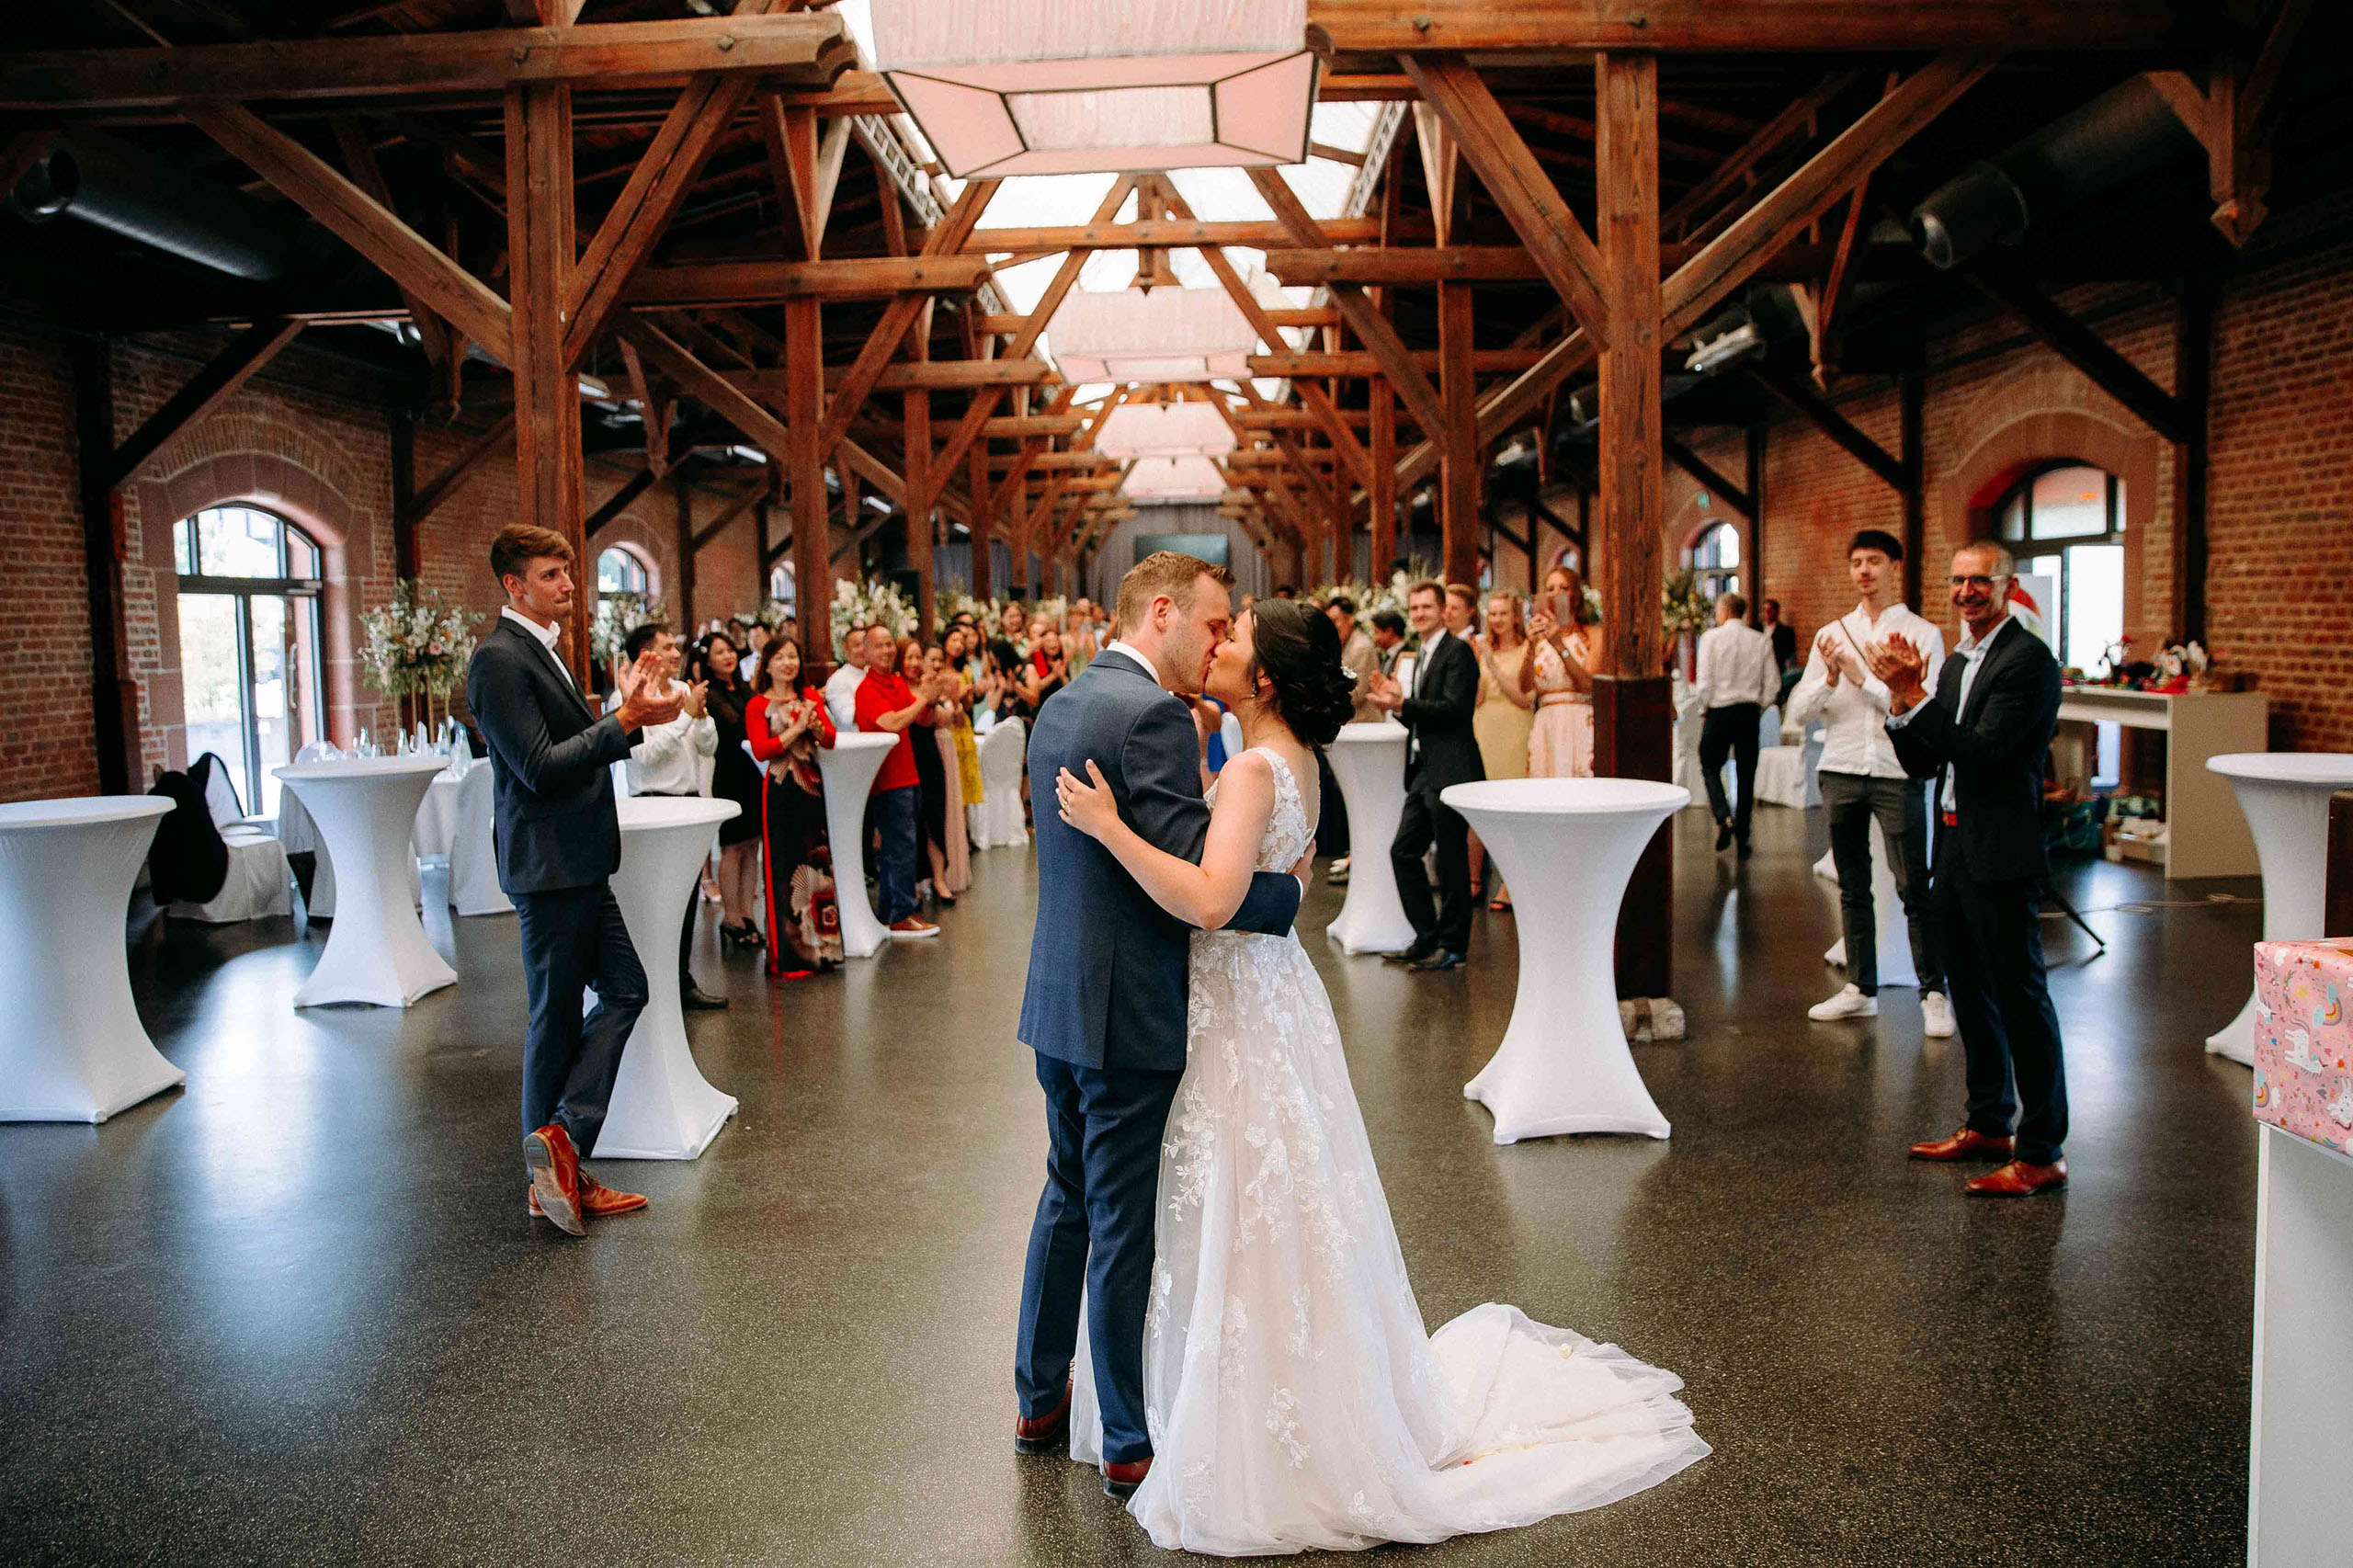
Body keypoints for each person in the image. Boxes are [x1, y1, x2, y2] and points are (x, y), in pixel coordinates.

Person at [1050, 597, 1706, 1550]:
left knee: (1230, 1199)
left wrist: (1109, 825)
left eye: (1231, 637)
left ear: (1265, 676)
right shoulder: (1295, 764)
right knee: (1274, 1200)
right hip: (1273, 996)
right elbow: (1279, 883)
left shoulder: (1244, 771)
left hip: (1233, 1007)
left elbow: (1208, 899)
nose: (1215, 643)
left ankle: (1226, 1410)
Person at [1011, 551, 1308, 1505]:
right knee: (1122, 1218)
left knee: (1066, 1197)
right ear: (1164, 612)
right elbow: (1199, 887)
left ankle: (1036, 1399)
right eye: (1214, 623)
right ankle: (1130, 1438)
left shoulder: (1063, 698)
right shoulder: (1150, 716)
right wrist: (1289, 892)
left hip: (1058, 994)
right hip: (1125, 1007)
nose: (1220, 640)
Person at [465, 523, 672, 1236]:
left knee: (626, 989)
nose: (568, 584)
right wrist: (622, 721)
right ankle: (547, 1176)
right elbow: (540, 767)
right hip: (548, 866)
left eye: (568, 572)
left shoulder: (539, 651)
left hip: (576, 861)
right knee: (553, 1018)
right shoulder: (497, 659)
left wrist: (630, 717)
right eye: (552, 574)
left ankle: (560, 1143)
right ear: (514, 586)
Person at [1873, 540, 2072, 1198]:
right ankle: (1989, 1123)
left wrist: (1914, 695)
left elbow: (1985, 756)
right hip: (1954, 849)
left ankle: (2042, 1152)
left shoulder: (2028, 662)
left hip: (2002, 851)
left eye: (1978, 581)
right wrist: (1904, 709)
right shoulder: (1958, 663)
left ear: (2006, 587)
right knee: (1969, 993)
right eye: (1957, 581)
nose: (1965, 593)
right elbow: (1931, 764)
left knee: (2020, 999)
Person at [1789, 529, 1952, 1033]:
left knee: (1912, 885)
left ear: (1894, 567)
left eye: (1874, 561)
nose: (1864, 571)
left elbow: (1924, 707)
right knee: (1852, 885)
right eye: (1857, 562)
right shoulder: (1831, 633)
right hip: (1839, 767)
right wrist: (1830, 679)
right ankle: (1860, 988)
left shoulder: (1922, 634)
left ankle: (1933, 992)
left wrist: (1864, 679)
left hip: (1895, 771)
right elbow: (1797, 714)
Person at [1368, 582, 1483, 971]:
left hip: (1451, 768)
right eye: (1414, 608)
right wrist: (1396, 704)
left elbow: (1455, 710)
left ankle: (1453, 948)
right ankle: (1426, 936)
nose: (1418, 614)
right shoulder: (1421, 654)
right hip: (1422, 769)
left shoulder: (1458, 652)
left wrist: (1405, 702)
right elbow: (1421, 713)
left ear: (1444, 610)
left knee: (1451, 862)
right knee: (1403, 850)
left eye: (1426, 607)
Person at [616, 623, 727, 1012]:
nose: (677, 653)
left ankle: (680, 980)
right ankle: (652, 985)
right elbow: (644, 757)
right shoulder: (628, 697)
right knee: (656, 902)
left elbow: (708, 747)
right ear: (646, 654)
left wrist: (700, 718)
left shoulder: (681, 690)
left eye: (674, 645)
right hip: (652, 803)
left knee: (684, 900)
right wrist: (684, 716)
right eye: (666, 647)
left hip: (688, 801)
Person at [746, 638, 842, 976]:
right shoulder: (758, 704)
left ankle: (824, 948)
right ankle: (789, 953)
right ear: (767, 664)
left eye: (793, 657)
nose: (788, 663)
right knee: (785, 868)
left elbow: (829, 739)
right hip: (781, 788)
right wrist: (796, 730)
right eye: (781, 657)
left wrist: (815, 728)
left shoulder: (811, 698)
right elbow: (761, 749)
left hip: (812, 786)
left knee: (818, 863)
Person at [854, 623, 940, 938]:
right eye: (879, 646)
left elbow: (921, 720)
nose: (888, 651)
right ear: (865, 652)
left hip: (908, 774)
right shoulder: (867, 690)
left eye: (890, 644)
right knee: (899, 846)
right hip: (887, 779)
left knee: (903, 844)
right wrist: (921, 700)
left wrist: (930, 697)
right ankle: (901, 912)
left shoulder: (895, 683)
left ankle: (892, 911)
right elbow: (890, 722)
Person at [695, 631, 767, 953]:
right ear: (708, 660)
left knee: (753, 844)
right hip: (729, 772)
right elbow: (737, 726)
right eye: (720, 652)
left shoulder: (745, 688)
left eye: (730, 651)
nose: (727, 657)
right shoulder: (711, 693)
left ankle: (749, 915)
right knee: (733, 846)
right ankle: (731, 916)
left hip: (754, 771)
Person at [1693, 590, 1779, 858]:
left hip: (1719, 711)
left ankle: (1723, 817)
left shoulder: (1711, 638)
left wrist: (1702, 707)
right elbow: (1773, 683)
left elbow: (1704, 680)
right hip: (1748, 712)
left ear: (1726, 611)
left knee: (1709, 764)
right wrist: (1759, 706)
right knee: (1746, 773)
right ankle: (1744, 836)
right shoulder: (1761, 640)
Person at [1472, 590, 1535, 912]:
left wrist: (1493, 665)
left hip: (1515, 730)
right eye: (1492, 613)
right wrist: (1479, 662)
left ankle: (1511, 884)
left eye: (1502, 614)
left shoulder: (1528, 649)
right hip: (1485, 727)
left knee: (1512, 808)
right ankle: (1474, 879)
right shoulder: (1485, 651)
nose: (1496, 620)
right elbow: (1479, 698)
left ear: (1515, 616)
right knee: (1480, 805)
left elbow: (1524, 698)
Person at [894, 635, 958, 907]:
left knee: (934, 816)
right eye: (909, 657)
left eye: (918, 656)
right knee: (910, 821)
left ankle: (939, 878)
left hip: (928, 753)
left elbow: (930, 721)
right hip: (904, 754)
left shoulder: (927, 686)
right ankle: (914, 882)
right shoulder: (895, 686)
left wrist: (930, 699)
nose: (914, 662)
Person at [1522, 563, 1597, 778]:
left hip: (1579, 718)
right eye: (1550, 589)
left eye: (1563, 588)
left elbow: (1589, 685)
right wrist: (1529, 646)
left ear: (1575, 595)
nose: (1556, 594)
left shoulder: (1592, 635)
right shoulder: (1537, 640)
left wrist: (1559, 644)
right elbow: (1525, 688)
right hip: (1547, 720)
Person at [926, 641, 976, 896]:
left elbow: (958, 718)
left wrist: (957, 702)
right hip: (930, 746)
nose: (936, 664)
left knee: (952, 807)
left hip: (948, 743)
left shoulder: (951, 680)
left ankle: (950, 872)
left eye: (938, 660)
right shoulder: (922, 688)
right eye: (930, 659)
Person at [1327, 596, 1382, 724]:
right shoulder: (1343, 643)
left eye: (1335, 621)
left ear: (1350, 619)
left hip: (1364, 724)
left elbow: (1357, 694)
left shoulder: (1361, 647)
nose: (1332, 627)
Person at [824, 619, 869, 732]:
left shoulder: (875, 673)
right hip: (855, 743)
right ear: (845, 648)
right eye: (857, 645)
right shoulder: (838, 680)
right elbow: (847, 718)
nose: (863, 649)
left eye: (866, 644)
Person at [1017, 625, 1070, 713]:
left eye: (1056, 640)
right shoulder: (1035, 662)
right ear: (1042, 644)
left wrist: (1062, 676)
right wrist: (1054, 675)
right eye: (1048, 641)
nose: (1053, 644)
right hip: (1042, 708)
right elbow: (1036, 689)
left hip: (1061, 707)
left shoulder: (1061, 661)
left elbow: (1069, 688)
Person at [1761, 597, 1800, 706]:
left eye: (1770, 610)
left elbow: (1789, 654)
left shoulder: (1785, 632)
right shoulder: (1756, 629)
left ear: (1776, 612)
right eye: (1764, 610)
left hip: (1778, 670)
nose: (1767, 613)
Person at [1369, 608, 1407, 677]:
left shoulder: (1408, 656)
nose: (1374, 638)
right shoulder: (1387, 657)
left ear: (1389, 632)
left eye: (1376, 632)